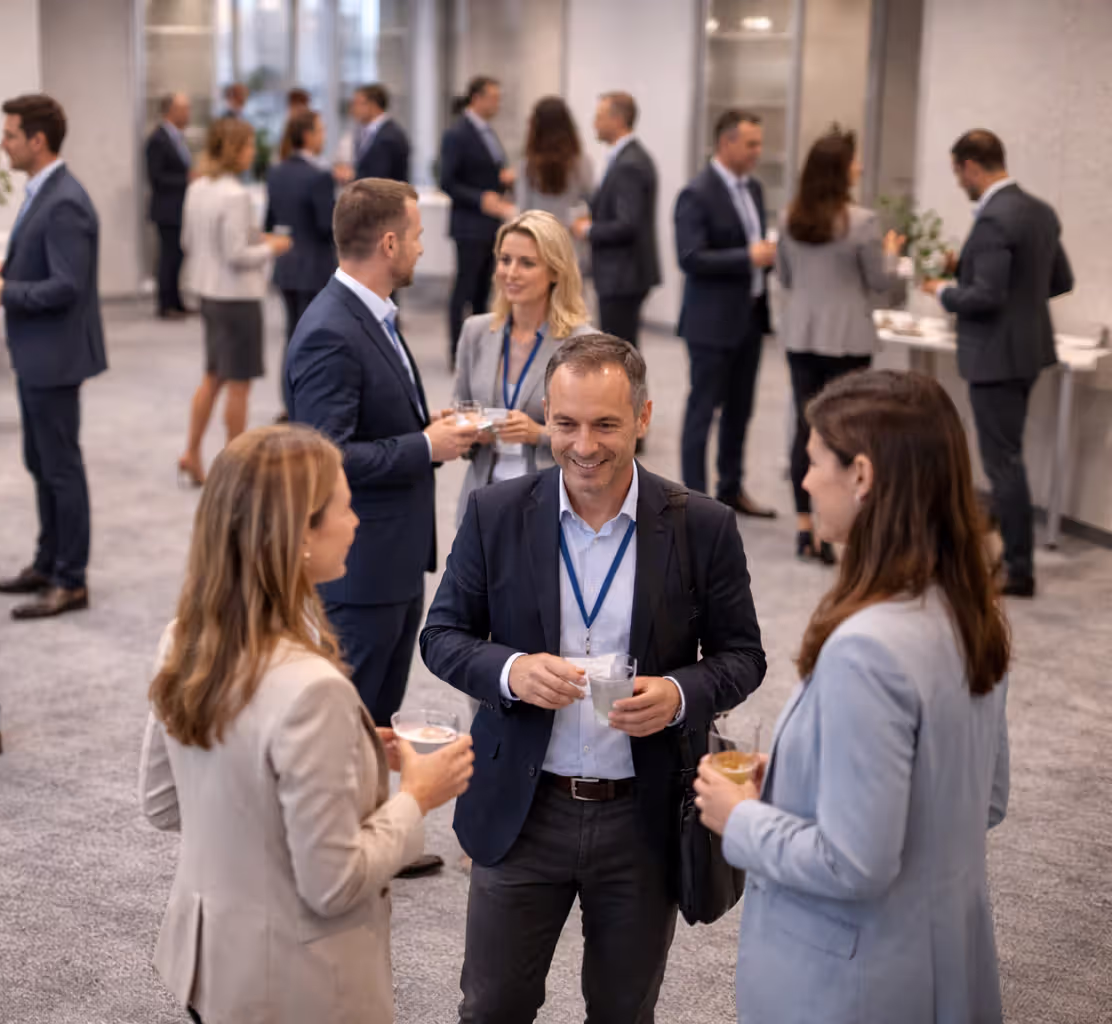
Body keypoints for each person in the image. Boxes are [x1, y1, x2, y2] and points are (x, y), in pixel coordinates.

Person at [420, 333, 766, 1024]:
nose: (584, 445)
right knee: (491, 1008)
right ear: (547, 413)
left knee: (622, 1012)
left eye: (606, 424)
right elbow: (442, 636)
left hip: (641, 816)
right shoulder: (497, 515)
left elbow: (743, 656)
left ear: (642, 417)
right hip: (523, 810)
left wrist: (678, 695)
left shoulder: (701, 525)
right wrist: (512, 671)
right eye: (567, 423)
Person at [694, 369, 1011, 1024]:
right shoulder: (966, 611)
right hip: (943, 956)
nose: (804, 482)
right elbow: (984, 797)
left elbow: (853, 864)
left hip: (852, 982)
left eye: (812, 462)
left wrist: (742, 817)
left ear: (862, 475)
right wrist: (793, 781)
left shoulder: (867, 649)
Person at [139, 425, 475, 1024]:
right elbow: (335, 883)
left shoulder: (180, 641)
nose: (356, 523)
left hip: (210, 963)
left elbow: (165, 803)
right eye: (345, 508)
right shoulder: (312, 689)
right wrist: (417, 798)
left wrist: (342, 752)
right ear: (297, 537)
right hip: (295, 986)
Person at [286, 179, 482, 876]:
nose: (424, 247)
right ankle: (338, 850)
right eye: (419, 235)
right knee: (353, 708)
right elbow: (324, 455)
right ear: (390, 242)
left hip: (392, 551)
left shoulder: (371, 313)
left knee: (379, 706)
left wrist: (425, 434)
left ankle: (374, 831)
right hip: (359, 558)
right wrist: (426, 448)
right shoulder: (331, 331)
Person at [921, 129, 1074, 598]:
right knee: (1009, 456)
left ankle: (1019, 568)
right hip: (1030, 351)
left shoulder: (992, 220)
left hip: (994, 357)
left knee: (1003, 461)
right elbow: (1059, 280)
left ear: (971, 166)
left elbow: (985, 296)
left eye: (957, 173)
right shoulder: (1040, 212)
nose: (959, 183)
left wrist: (942, 290)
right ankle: (1014, 558)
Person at [0, 94, 106, 619]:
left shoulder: (64, 201)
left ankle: (70, 579)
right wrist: (9, 269)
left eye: (10, 135)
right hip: (38, 352)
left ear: (37, 141)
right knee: (40, 461)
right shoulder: (46, 192)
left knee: (59, 466)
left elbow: (66, 287)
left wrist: (3, 290)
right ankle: (47, 560)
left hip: (54, 355)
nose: (3, 143)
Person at [777, 127, 905, 564]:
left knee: (805, 427)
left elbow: (786, 278)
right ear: (839, 171)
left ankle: (804, 527)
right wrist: (891, 253)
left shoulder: (789, 218)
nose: (860, 167)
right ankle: (846, 523)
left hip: (802, 336)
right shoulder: (863, 223)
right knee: (850, 431)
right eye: (853, 160)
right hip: (848, 338)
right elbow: (881, 285)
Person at [452, 210, 598, 525]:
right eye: (505, 260)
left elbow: (599, 439)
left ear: (556, 272)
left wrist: (538, 434)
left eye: (527, 263)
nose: (511, 272)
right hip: (482, 503)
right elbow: (460, 410)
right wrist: (465, 429)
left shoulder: (584, 345)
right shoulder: (476, 332)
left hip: (550, 506)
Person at [675, 109, 778, 518]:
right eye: (751, 143)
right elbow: (690, 257)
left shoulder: (753, 189)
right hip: (710, 323)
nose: (758, 151)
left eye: (759, 143)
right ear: (726, 143)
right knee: (703, 410)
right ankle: (693, 502)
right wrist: (747, 257)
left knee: (740, 409)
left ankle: (731, 488)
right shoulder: (697, 193)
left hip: (749, 318)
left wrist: (766, 258)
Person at [178, 118, 291, 486]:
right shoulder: (236, 194)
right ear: (235, 150)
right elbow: (237, 254)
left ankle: (191, 452)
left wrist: (254, 238)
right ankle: (235, 470)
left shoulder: (198, 189)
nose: (252, 152)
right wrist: (271, 247)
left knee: (213, 376)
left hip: (208, 293)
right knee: (239, 383)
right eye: (247, 146)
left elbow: (188, 242)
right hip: (238, 298)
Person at [570, 91, 660, 348]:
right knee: (621, 348)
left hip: (622, 274)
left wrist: (587, 229)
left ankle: (626, 391)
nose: (594, 124)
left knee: (619, 351)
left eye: (599, 117)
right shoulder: (625, 157)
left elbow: (627, 224)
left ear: (618, 120)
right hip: (623, 272)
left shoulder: (628, 163)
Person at [440, 76, 517, 363]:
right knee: (464, 288)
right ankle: (456, 351)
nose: (497, 104)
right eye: (493, 98)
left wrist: (502, 180)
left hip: (491, 225)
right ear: (476, 98)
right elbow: (447, 181)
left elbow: (487, 170)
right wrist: (481, 198)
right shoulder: (458, 133)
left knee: (485, 291)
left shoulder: (488, 132)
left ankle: (482, 351)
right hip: (469, 224)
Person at [265, 111, 336, 385]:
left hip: (286, 263)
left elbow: (270, 222)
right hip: (315, 265)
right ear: (308, 135)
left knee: (292, 335)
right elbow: (325, 225)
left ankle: (289, 399)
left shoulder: (276, 171)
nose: (323, 137)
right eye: (320, 131)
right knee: (315, 338)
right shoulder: (319, 176)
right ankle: (306, 402)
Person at [512, 97, 593, 236]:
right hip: (570, 242)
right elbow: (591, 202)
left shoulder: (527, 165)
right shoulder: (581, 162)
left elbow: (523, 209)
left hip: (538, 240)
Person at [146, 93, 194, 320]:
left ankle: (176, 301)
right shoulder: (158, 139)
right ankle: (165, 305)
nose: (188, 114)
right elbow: (156, 178)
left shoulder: (177, 138)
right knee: (168, 258)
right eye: (183, 109)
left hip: (178, 209)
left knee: (177, 257)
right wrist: (188, 179)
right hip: (167, 210)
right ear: (170, 111)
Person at [347, 83, 411, 185]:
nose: (352, 109)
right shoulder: (370, 132)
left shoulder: (389, 136)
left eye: (357, 103)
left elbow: (379, 178)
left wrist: (351, 175)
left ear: (373, 105)